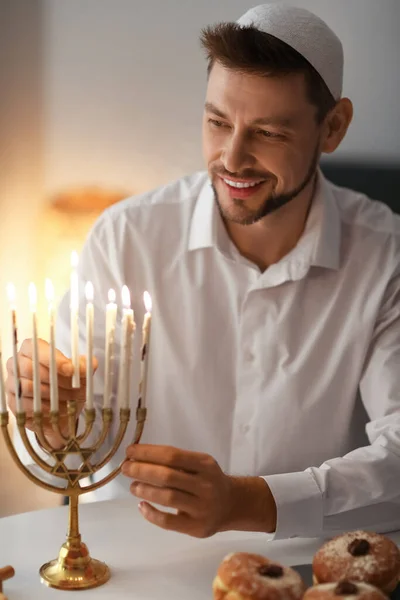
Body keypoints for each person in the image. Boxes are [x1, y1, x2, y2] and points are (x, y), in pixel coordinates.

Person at [5, 3, 400, 540]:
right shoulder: (126, 238)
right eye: (217, 122)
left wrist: (251, 503)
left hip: (303, 569)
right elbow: (78, 432)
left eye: (268, 133)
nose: (232, 158)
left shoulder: (385, 257)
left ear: (332, 127)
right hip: (126, 555)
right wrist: (48, 410)